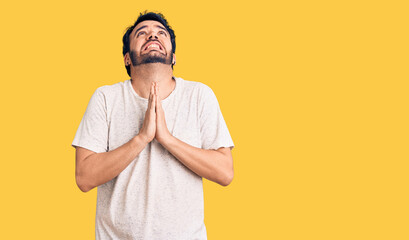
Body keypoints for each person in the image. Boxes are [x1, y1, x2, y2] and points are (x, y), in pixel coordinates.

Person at [72, 11, 235, 240]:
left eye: (161, 33)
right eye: (142, 33)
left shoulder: (199, 95)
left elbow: (225, 172)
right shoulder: (105, 98)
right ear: (127, 58)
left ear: (174, 56)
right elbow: (84, 177)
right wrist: (141, 139)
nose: (152, 36)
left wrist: (167, 139)